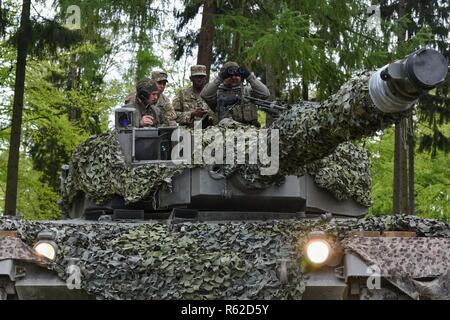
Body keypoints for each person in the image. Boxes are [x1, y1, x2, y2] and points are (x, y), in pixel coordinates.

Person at [200, 62, 270, 127]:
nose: (233, 77)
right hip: (225, 134)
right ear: (224, 77)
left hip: (249, 132)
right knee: (225, 121)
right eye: (229, 76)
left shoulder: (248, 91)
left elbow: (265, 94)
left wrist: (249, 76)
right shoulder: (218, 93)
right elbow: (205, 95)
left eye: (237, 75)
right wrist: (219, 78)